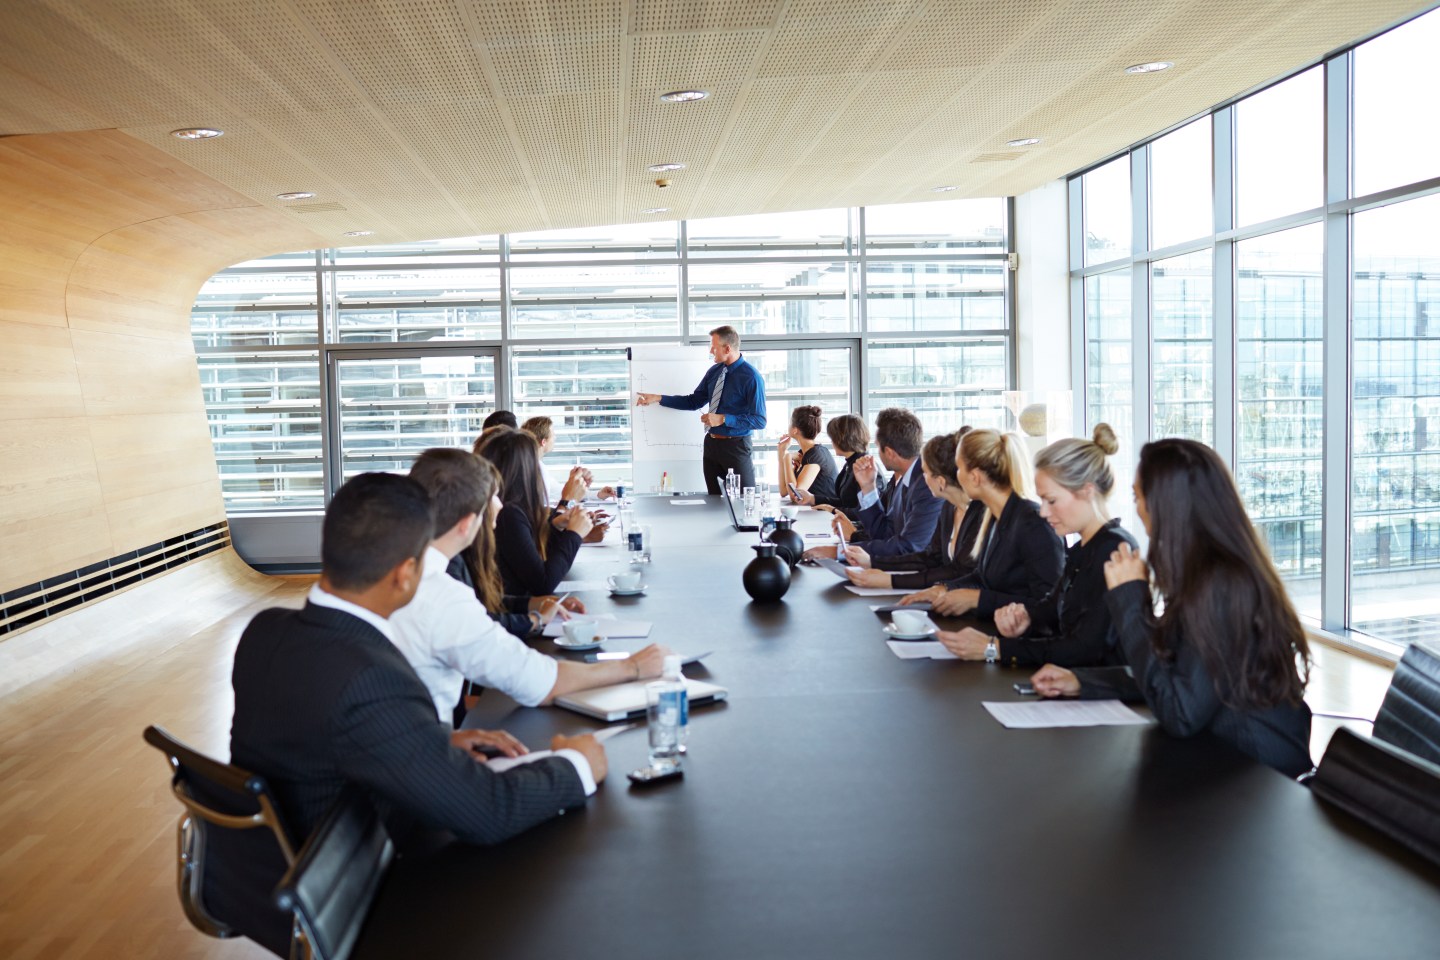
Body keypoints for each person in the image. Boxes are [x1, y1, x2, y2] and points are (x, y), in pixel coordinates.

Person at [227, 473, 606, 951]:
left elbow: (322, 733)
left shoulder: (265, 630)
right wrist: (577, 764)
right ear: (405, 574)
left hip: (279, 869)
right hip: (365, 886)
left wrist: (424, 740)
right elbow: (486, 810)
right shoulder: (371, 676)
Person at [1030, 439, 1314, 778]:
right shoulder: (1209, 571)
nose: (1137, 509)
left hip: (1257, 776)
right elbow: (1173, 674)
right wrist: (1084, 682)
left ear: (1166, 504)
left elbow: (1179, 711)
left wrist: (1130, 601)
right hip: (1227, 761)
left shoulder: (1219, 583)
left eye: (1137, 497)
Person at [391, 449, 669, 725]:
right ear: (466, 525)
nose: (500, 507)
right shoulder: (442, 593)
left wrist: (531, 605)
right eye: (493, 498)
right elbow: (538, 680)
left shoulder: (408, 567)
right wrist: (632, 666)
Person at [932, 425, 1137, 665]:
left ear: (1087, 491)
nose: (1044, 512)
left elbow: (1086, 646)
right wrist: (1024, 620)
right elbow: (1050, 611)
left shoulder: (1114, 551)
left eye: (1051, 500)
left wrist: (994, 648)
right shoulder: (1085, 548)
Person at [899, 428, 1063, 618]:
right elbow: (983, 578)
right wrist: (943, 588)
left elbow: (1051, 607)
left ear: (975, 477)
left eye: (959, 468)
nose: (956, 475)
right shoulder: (993, 517)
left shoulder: (1034, 524)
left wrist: (977, 599)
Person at [845, 429, 984, 589]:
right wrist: (872, 562)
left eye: (926, 473)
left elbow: (958, 572)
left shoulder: (979, 514)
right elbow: (930, 558)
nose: (922, 478)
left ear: (940, 482)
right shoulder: (948, 508)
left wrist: (890, 581)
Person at [636, 325, 766, 494]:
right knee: (714, 499)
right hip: (711, 445)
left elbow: (760, 420)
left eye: (714, 347)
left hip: (736, 447)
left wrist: (723, 418)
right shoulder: (714, 372)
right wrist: (658, 398)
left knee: (744, 497)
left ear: (727, 349)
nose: (711, 351)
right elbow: (693, 401)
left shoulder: (751, 377)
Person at [475, 427, 592, 595]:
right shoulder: (508, 514)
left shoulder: (511, 508)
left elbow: (532, 556)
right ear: (525, 469)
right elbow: (542, 583)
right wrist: (574, 534)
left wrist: (556, 527)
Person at [825, 407, 942, 560]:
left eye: (878, 447)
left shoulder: (928, 484)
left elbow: (909, 547)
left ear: (890, 453)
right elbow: (884, 533)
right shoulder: (904, 479)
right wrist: (868, 488)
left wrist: (841, 551)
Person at [792, 413, 877, 515]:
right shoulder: (851, 463)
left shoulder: (865, 467)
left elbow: (862, 512)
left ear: (843, 439)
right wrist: (812, 498)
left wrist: (832, 510)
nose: (832, 442)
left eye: (833, 438)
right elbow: (845, 503)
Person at [776, 405, 838, 502]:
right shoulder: (804, 453)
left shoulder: (817, 454)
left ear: (795, 430)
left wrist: (787, 457)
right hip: (812, 509)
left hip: (826, 510)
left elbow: (796, 495)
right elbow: (783, 491)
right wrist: (782, 452)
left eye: (790, 423)